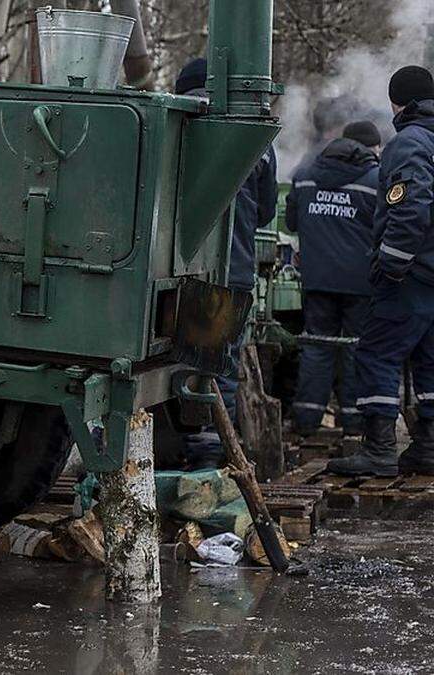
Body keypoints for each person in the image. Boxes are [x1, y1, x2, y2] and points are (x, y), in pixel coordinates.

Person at [175, 57, 279, 469]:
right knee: (220, 366)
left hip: (170, 271)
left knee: (162, 365)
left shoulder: (178, 124)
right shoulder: (255, 136)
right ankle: (210, 455)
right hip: (231, 269)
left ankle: (152, 451)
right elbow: (267, 211)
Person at [330, 66, 434, 477]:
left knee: (376, 354)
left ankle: (378, 450)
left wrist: (391, 264)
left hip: (411, 276)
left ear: (400, 102)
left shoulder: (409, 143)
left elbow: (410, 206)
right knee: (429, 362)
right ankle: (427, 447)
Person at [285, 121, 381, 437]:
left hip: (317, 279)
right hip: (361, 283)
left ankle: (306, 421)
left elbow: (291, 223)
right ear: (371, 148)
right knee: (357, 348)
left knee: (317, 346)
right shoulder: (375, 180)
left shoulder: (305, 174)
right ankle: (355, 423)